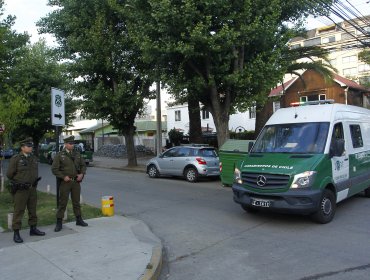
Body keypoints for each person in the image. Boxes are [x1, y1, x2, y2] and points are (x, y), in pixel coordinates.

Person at [6, 137, 45, 243]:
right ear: (22, 148)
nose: (31, 148)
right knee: (19, 211)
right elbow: (9, 174)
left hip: (32, 189)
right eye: (28, 146)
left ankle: (33, 229)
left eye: (31, 146)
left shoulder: (33, 158)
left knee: (33, 210)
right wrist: (19, 181)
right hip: (21, 190)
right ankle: (16, 233)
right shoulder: (16, 158)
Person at [52, 135, 88, 232]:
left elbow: (83, 165)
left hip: (76, 182)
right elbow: (54, 169)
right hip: (65, 182)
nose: (72, 145)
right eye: (70, 144)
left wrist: (82, 174)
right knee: (63, 202)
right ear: (65, 144)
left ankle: (79, 219)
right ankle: (59, 222)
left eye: (73, 143)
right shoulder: (60, 155)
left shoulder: (77, 154)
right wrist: (63, 176)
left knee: (76, 202)